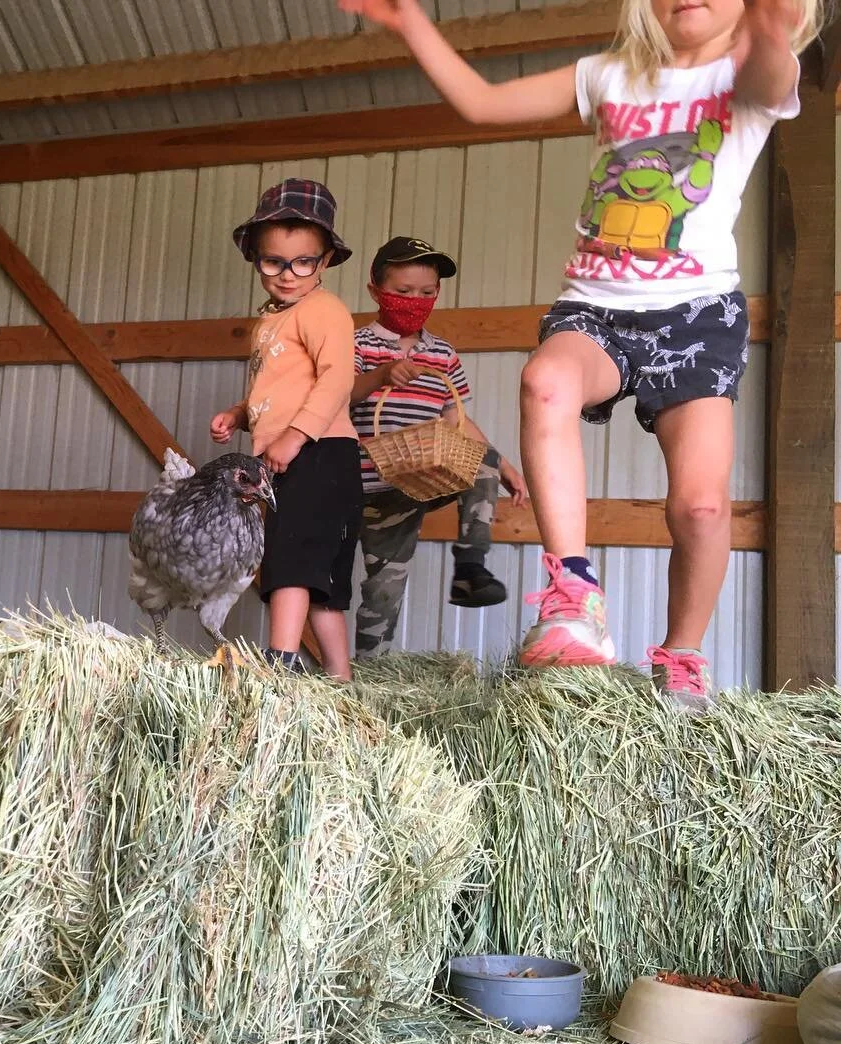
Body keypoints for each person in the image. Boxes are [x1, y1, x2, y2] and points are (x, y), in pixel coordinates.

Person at [340, 0, 818, 709]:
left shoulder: (746, 73)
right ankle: (573, 596)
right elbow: (481, 103)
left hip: (694, 317)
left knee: (701, 509)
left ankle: (682, 655)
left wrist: (772, 32)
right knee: (544, 382)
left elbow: (775, 77)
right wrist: (413, 22)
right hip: (595, 308)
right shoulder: (609, 75)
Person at [211, 179, 364, 680]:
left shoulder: (324, 311)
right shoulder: (273, 319)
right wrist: (240, 414)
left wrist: (295, 437)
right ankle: (339, 680)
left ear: (324, 261)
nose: (287, 274)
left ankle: (280, 666)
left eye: (303, 261)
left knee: (291, 563)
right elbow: (280, 387)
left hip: (318, 453)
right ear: (256, 258)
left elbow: (338, 378)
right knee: (318, 575)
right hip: (299, 451)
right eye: (273, 261)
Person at [350, 236, 529, 660]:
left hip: (422, 477)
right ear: (375, 290)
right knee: (382, 587)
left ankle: (470, 566)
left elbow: (456, 419)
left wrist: (506, 467)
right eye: (404, 291)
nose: (416, 300)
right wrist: (381, 375)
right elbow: (339, 397)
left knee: (480, 460)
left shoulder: (442, 353)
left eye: (427, 293)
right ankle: (366, 671)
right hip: (371, 482)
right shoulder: (356, 343)